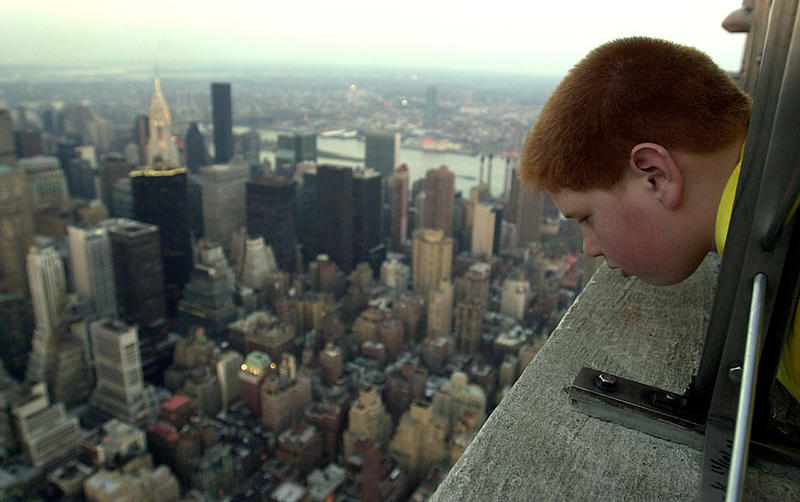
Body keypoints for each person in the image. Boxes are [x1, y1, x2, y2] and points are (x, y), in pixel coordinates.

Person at [518, 36, 798, 403]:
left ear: (656, 176)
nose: (590, 249)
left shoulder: (778, 273)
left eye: (586, 218)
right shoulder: (776, 189)